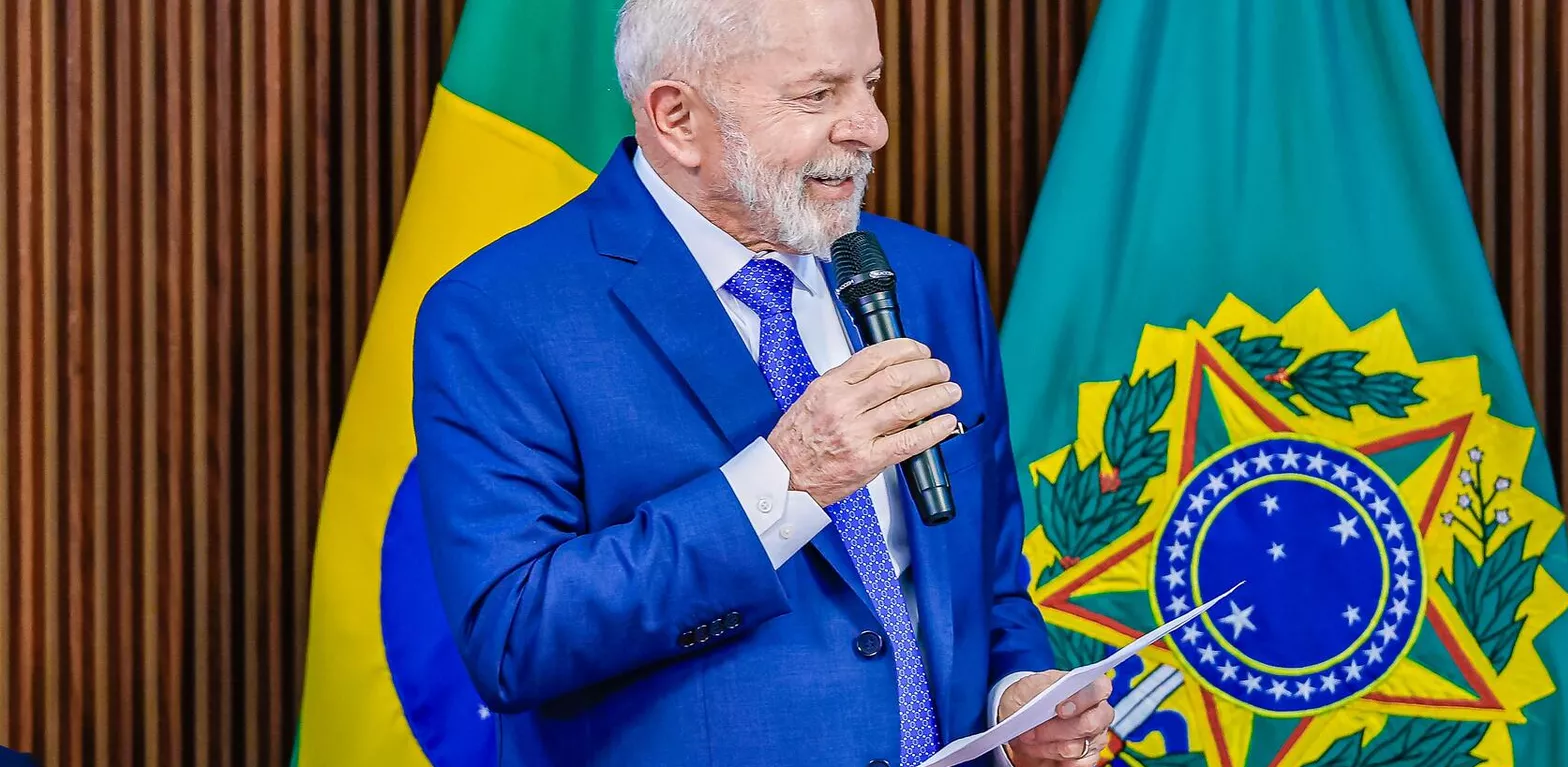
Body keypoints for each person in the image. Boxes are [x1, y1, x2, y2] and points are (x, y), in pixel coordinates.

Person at [411, 0, 1115, 764]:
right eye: (818, 95)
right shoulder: (500, 310)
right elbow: (516, 637)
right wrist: (785, 478)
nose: (871, 127)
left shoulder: (931, 278)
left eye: (870, 84)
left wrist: (1011, 704)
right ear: (677, 118)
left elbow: (987, 578)